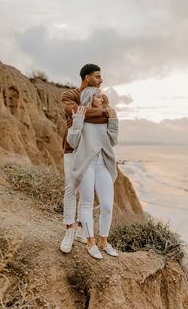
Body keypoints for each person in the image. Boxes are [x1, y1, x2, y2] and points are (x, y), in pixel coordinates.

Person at [60, 64, 110, 254]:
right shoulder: (69, 95)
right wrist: (103, 112)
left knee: (86, 192)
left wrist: (86, 115)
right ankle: (69, 231)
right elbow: (76, 113)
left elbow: (108, 119)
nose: (101, 80)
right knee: (70, 187)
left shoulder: (102, 97)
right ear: (87, 77)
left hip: (91, 150)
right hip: (72, 148)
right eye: (98, 76)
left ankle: (82, 229)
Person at [67, 86, 118, 259]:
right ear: (89, 98)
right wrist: (78, 121)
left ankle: (104, 241)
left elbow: (113, 140)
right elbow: (73, 142)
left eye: (101, 96)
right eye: (98, 96)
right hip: (86, 163)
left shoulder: (105, 116)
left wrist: (113, 121)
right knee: (87, 203)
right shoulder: (82, 114)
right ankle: (90, 242)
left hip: (103, 164)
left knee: (107, 206)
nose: (102, 99)